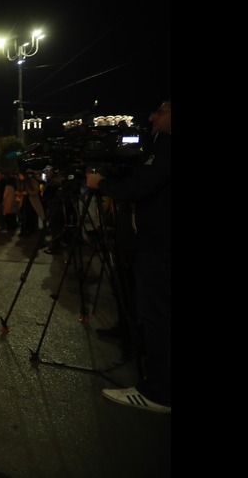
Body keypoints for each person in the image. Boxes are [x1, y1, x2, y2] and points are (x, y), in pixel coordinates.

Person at [87, 100, 171, 414]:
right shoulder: (158, 146)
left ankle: (159, 392)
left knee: (158, 317)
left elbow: (138, 188)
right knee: (153, 311)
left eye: (160, 112)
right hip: (152, 244)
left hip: (160, 247)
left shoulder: (165, 150)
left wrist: (102, 184)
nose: (153, 117)